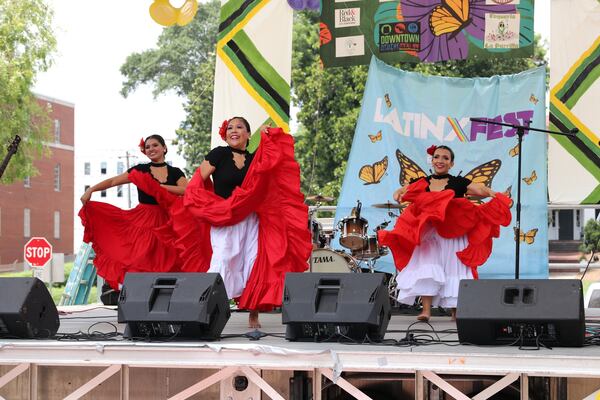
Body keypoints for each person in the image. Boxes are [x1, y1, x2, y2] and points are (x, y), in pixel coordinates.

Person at [179, 117, 312, 328]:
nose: (234, 130)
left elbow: (274, 170)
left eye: (240, 127)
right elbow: (197, 181)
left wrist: (271, 137)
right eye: (230, 127)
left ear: (249, 135)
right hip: (224, 217)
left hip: (250, 218)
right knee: (223, 258)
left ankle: (253, 314)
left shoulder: (254, 160)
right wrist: (203, 203)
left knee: (253, 262)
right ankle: (206, 313)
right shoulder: (219, 154)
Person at [378, 145, 512, 322]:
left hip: (454, 231)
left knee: (454, 267)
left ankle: (456, 311)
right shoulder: (422, 182)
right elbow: (402, 191)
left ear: (451, 163)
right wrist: (398, 193)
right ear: (432, 160)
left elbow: (481, 190)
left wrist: (497, 196)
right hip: (429, 232)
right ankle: (426, 310)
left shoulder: (459, 182)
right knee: (428, 265)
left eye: (445, 158)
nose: (440, 160)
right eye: (437, 157)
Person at [79, 134, 188, 293]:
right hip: (143, 219)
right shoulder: (140, 170)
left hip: (167, 220)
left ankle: (166, 298)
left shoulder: (175, 172)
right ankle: (139, 296)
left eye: (155, 145)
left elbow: (186, 190)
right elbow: (113, 181)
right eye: (148, 147)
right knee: (139, 258)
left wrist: (158, 187)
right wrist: (91, 189)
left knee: (169, 259)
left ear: (164, 148)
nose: (151, 149)